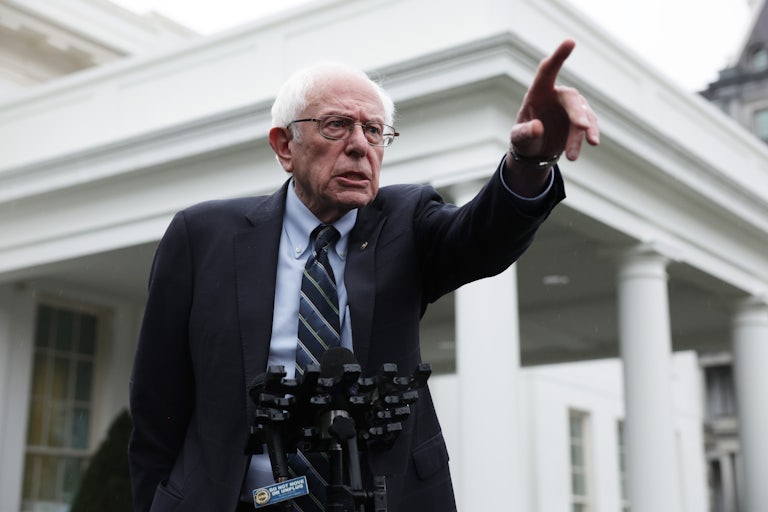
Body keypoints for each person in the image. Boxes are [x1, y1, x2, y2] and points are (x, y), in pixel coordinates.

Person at [128, 38, 600, 512]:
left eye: (374, 131)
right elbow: (157, 403)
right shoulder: (203, 235)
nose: (359, 145)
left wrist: (528, 163)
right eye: (336, 125)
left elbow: (482, 236)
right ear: (283, 145)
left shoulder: (408, 221)